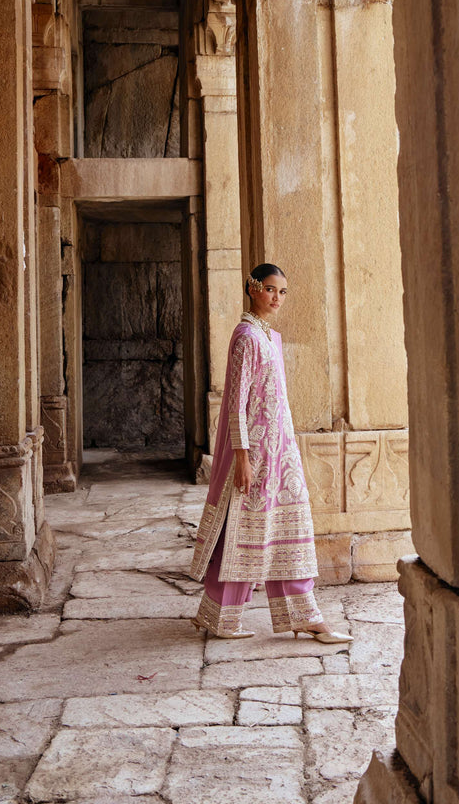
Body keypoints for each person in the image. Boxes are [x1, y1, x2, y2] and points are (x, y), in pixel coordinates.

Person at [189, 263, 351, 642]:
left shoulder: (267, 337)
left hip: (280, 454)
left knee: (284, 528)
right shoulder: (246, 337)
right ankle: (222, 616)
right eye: (270, 289)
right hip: (256, 456)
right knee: (244, 529)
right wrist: (242, 457)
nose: (277, 298)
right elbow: (236, 403)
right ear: (253, 289)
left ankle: (297, 614)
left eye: (282, 292)